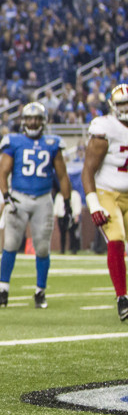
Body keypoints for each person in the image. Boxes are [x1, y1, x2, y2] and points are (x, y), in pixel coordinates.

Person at [0, 103, 71, 309]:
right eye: (29, 119)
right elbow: (2, 173)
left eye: (37, 119)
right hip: (18, 197)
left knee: (43, 247)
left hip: (43, 199)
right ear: (23, 121)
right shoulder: (14, 141)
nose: (33, 122)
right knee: (10, 243)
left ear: (43, 121)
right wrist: (6, 196)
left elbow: (62, 175)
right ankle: (3, 291)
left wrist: (68, 203)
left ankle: (40, 292)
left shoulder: (53, 143)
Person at [82, 84, 128, 321]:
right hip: (108, 191)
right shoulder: (105, 128)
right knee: (117, 239)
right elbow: (88, 170)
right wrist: (94, 204)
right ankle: (122, 298)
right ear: (113, 106)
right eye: (122, 104)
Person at [56, 188, 82, 254]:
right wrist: (55, 215)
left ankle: (73, 249)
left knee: (72, 234)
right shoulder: (59, 195)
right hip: (61, 216)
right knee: (62, 234)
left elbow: (77, 205)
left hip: (71, 216)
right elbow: (57, 206)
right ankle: (62, 249)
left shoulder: (75, 194)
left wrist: (77, 215)